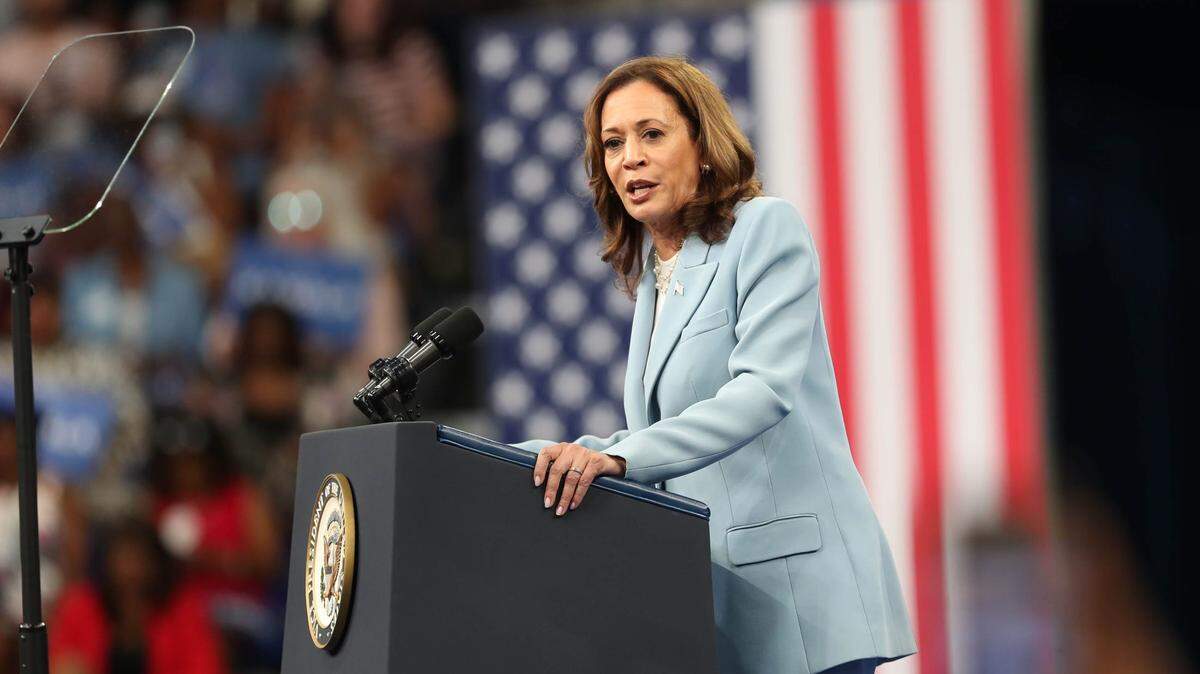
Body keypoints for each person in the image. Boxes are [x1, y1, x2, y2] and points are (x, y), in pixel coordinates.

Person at [515, 57, 916, 674]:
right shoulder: (654, 277)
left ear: (703, 145)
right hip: (720, 611)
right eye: (613, 144)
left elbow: (760, 391)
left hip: (799, 596)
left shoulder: (765, 230)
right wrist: (563, 455)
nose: (630, 158)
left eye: (652, 134)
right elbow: (662, 434)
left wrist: (620, 458)